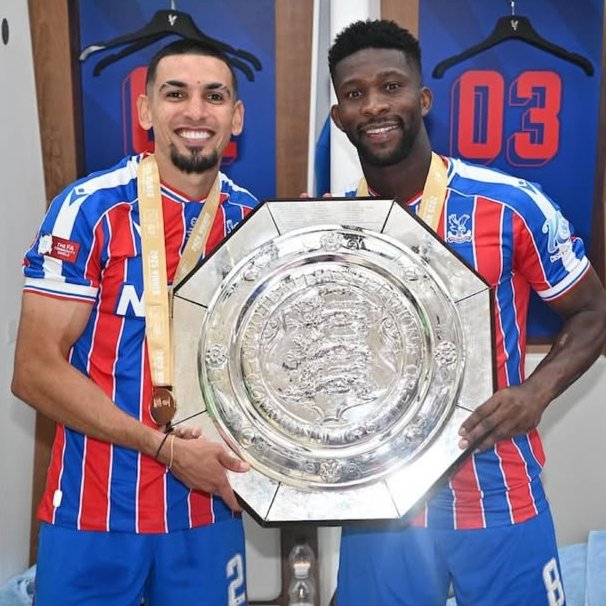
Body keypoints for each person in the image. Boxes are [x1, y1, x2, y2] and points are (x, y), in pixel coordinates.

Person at [328, 19, 606, 606]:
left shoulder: (509, 205)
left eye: (391, 86)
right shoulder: (328, 226)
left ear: (423, 100)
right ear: (338, 116)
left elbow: (593, 311)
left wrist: (535, 393)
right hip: (380, 504)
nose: (374, 105)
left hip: (497, 490)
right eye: (355, 94)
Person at [11, 38, 258, 606]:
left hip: (206, 511)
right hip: (93, 514)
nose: (195, 111)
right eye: (176, 94)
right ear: (145, 110)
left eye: (214, 96)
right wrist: (164, 448)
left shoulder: (254, 223)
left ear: (236, 117)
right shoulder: (90, 209)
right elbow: (34, 371)